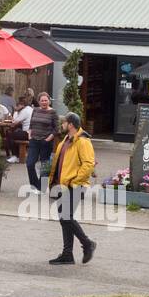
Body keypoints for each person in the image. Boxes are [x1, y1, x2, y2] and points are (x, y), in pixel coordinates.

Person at [48, 112, 97, 265]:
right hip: (63, 185)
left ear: (70, 124)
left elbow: (89, 164)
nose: (61, 125)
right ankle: (67, 254)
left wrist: (75, 181)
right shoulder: (67, 140)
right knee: (64, 218)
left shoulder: (83, 141)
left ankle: (87, 244)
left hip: (75, 186)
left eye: (64, 123)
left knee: (65, 217)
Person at [26, 92, 58, 189]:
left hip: (46, 142)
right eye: (42, 100)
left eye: (46, 100)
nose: (44, 102)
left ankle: (41, 188)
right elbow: (31, 124)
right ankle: (35, 185)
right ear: (39, 102)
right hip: (34, 141)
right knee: (30, 163)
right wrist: (29, 135)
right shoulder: (35, 110)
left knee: (45, 166)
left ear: (49, 101)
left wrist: (48, 139)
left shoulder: (53, 112)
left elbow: (57, 129)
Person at [4, 93, 32, 163]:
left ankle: (15, 156)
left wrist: (16, 111)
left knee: (9, 134)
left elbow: (14, 123)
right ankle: (16, 155)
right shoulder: (29, 109)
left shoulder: (25, 111)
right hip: (30, 132)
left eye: (18, 104)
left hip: (28, 133)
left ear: (22, 105)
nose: (17, 105)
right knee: (13, 133)